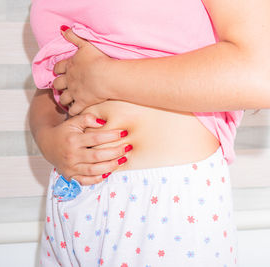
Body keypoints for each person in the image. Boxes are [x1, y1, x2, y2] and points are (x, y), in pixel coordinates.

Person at [28, 0, 270, 266]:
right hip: (71, 201)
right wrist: (46, 135)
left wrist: (105, 78)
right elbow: (54, 75)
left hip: (164, 201)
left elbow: (261, 74)